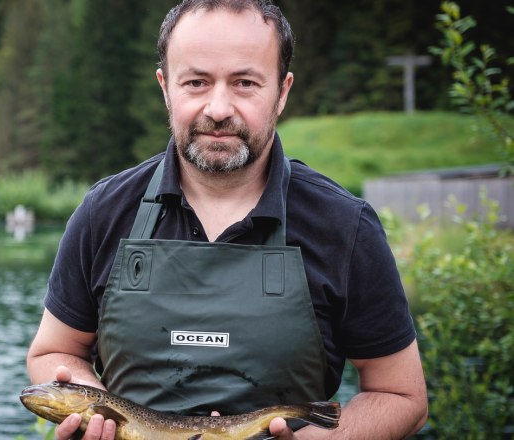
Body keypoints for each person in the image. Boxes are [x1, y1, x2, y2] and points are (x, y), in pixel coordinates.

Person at [26, 0, 428, 438]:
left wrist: (330, 437)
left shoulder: (345, 226)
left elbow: (402, 396)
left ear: (282, 91)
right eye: (196, 82)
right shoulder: (103, 212)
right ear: (165, 88)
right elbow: (53, 352)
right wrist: (92, 408)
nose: (218, 108)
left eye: (245, 83)